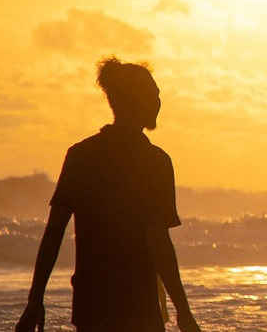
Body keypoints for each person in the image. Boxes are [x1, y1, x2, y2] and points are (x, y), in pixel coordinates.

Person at [16, 57, 202, 332]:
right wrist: (184, 312)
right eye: (153, 95)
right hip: (139, 307)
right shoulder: (155, 162)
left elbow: (53, 233)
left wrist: (35, 300)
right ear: (134, 101)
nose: (158, 102)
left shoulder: (81, 156)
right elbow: (159, 242)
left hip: (92, 305)